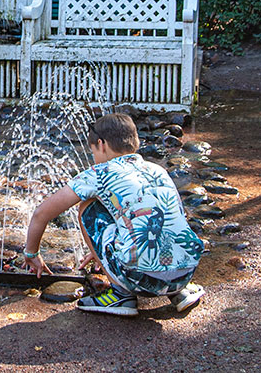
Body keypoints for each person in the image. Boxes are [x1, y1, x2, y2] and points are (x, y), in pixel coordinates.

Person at [22, 113, 206, 317]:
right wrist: (99, 249)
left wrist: (32, 253)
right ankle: (179, 292)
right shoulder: (157, 170)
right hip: (187, 271)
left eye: (92, 152)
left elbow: (41, 213)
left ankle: (120, 295)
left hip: (139, 277)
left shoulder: (99, 173)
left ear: (101, 144)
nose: (93, 158)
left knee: (87, 205)